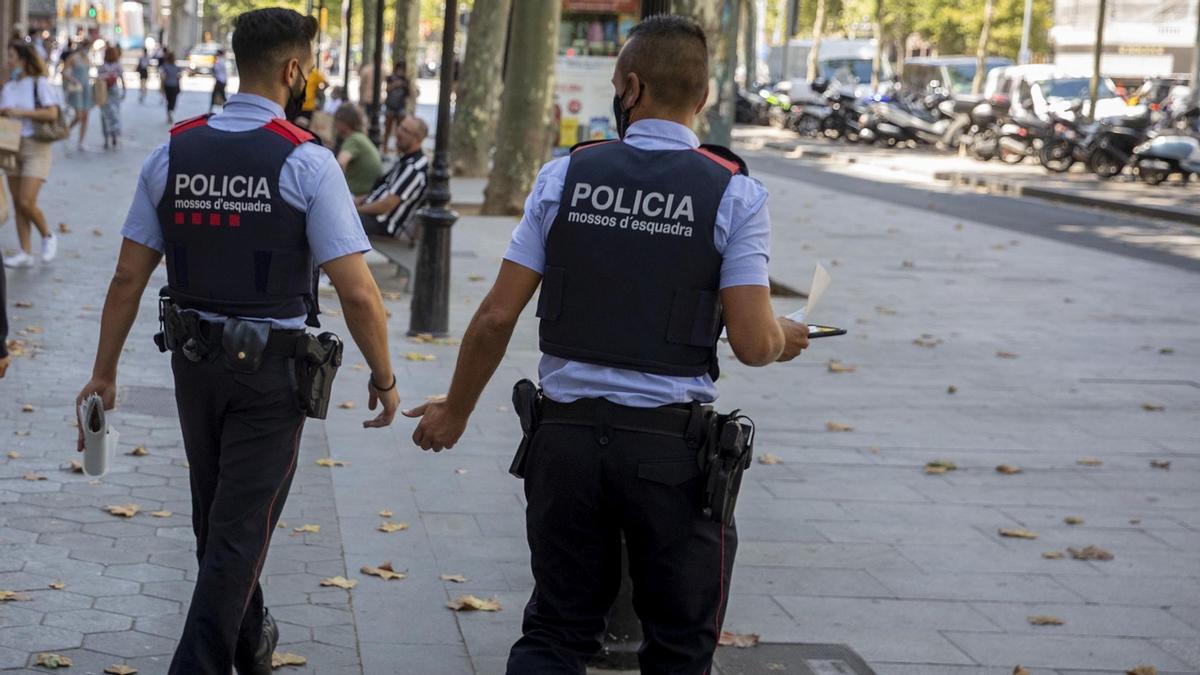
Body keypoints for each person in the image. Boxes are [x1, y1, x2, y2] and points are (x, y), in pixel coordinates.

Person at [404, 16, 809, 675]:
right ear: (702, 98)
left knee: (556, 631)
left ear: (629, 85)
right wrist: (787, 334)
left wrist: (456, 407)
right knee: (679, 644)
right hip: (670, 455)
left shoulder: (565, 176)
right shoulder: (734, 191)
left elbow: (493, 316)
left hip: (563, 442)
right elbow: (753, 342)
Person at [74, 9, 400, 674]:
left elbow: (126, 277)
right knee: (236, 531)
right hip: (272, 377)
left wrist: (103, 371)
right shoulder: (306, 161)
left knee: (217, 524)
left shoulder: (174, 152)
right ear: (292, 71)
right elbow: (358, 290)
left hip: (194, 367)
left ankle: (251, 640)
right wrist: (385, 375)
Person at [0, 41, 60, 268]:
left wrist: (20, 112)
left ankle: (47, 235)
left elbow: (52, 113)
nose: (9, 61)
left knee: (27, 200)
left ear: (23, 60)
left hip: (36, 146)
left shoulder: (39, 84)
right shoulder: (8, 87)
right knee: (17, 202)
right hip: (11, 145)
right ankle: (25, 251)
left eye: (12, 56)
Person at [356, 115, 428, 240]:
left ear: (417, 139)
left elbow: (385, 205)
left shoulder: (413, 168)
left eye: (405, 130)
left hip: (381, 225)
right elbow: (383, 190)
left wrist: (355, 210)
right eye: (400, 127)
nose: (398, 132)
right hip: (371, 217)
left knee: (333, 221)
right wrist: (355, 201)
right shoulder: (406, 159)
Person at [332, 103, 381, 198]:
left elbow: (338, 166)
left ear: (343, 123)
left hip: (356, 194)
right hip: (368, 192)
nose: (334, 124)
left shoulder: (353, 140)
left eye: (336, 120)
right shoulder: (360, 137)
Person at [61, 43, 92, 150]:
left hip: (86, 88)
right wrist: (72, 79)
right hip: (77, 88)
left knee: (86, 115)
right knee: (79, 115)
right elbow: (64, 72)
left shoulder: (87, 58)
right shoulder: (73, 57)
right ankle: (66, 131)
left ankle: (81, 141)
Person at [97, 46, 124, 149]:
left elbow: (98, 78)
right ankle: (112, 135)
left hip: (107, 92)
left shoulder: (104, 66)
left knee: (106, 116)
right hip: (111, 92)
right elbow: (122, 78)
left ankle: (108, 137)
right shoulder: (116, 65)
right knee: (113, 115)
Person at [382, 60, 411, 155]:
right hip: (390, 106)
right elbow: (386, 89)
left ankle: (398, 150)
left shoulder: (405, 79)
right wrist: (395, 84)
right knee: (387, 129)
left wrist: (405, 85)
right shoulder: (390, 78)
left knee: (399, 130)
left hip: (400, 106)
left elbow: (408, 94)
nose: (400, 71)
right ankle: (385, 148)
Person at [159, 49, 181, 123]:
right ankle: (171, 112)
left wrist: (161, 87)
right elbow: (178, 78)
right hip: (174, 86)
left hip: (167, 85)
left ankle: (169, 113)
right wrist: (180, 86)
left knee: (168, 101)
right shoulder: (176, 67)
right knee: (173, 101)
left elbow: (163, 77)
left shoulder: (165, 66)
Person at [210, 48, 227, 112]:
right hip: (222, 80)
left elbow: (215, 70)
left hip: (219, 80)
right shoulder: (223, 61)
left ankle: (210, 109)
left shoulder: (218, 61)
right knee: (222, 95)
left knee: (217, 95)